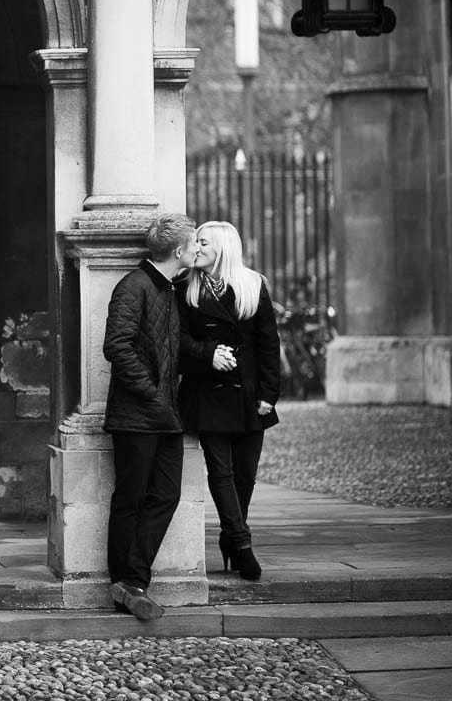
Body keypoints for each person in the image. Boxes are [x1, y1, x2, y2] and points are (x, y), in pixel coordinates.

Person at [103, 212, 198, 621]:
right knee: (131, 497)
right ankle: (124, 581)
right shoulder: (134, 286)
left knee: (166, 494)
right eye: (194, 244)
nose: (198, 250)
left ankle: (132, 581)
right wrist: (152, 394)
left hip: (165, 414)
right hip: (136, 414)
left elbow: (174, 345)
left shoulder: (171, 289)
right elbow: (117, 347)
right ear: (179, 251)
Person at [176, 221, 281, 581]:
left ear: (221, 248)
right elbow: (178, 340)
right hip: (207, 395)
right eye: (196, 242)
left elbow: (269, 343)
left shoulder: (253, 285)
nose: (196, 248)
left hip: (250, 396)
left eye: (203, 243)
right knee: (221, 472)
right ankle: (242, 543)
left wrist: (269, 394)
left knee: (246, 475)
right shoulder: (185, 286)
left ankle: (229, 537)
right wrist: (208, 354)